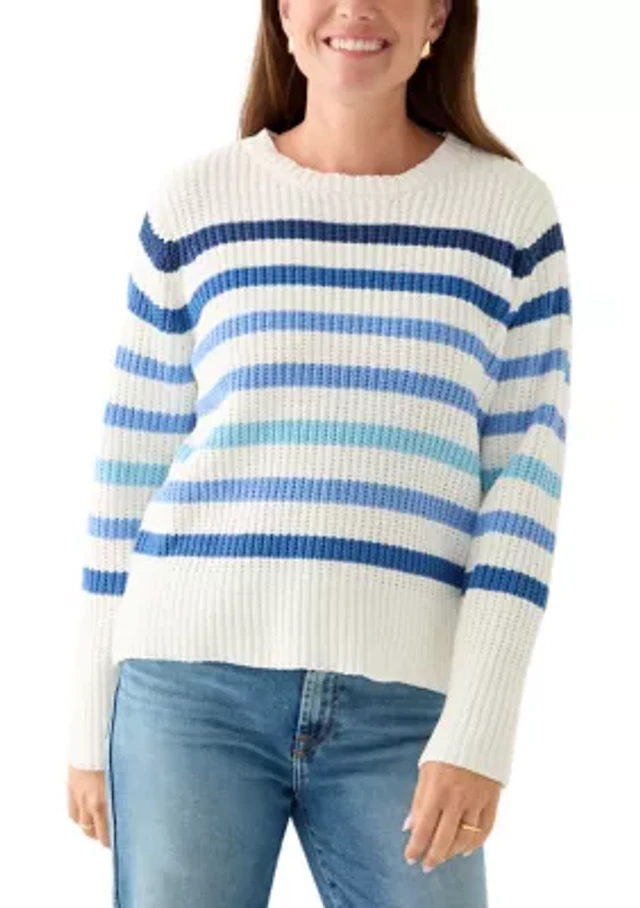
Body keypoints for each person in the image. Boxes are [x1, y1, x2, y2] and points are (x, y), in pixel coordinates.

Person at [65, 1, 573, 905]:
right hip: (187, 694)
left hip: (409, 712)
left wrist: (481, 733)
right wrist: (86, 723)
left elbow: (522, 496)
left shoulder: (510, 214)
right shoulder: (196, 202)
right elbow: (128, 472)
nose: (356, 7)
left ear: (438, 14)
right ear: (283, 12)